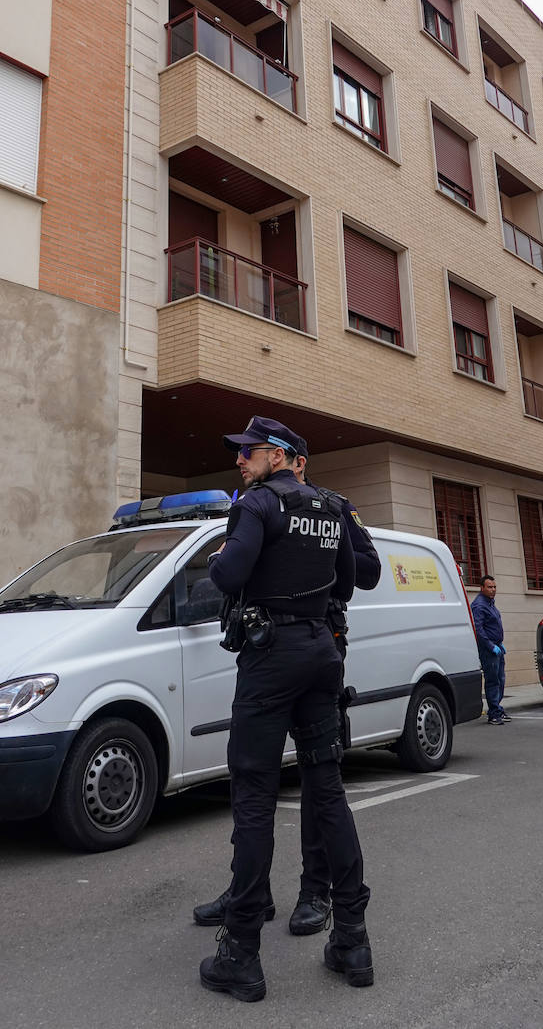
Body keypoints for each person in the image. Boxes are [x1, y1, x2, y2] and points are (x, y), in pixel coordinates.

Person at [198, 416, 372, 1001]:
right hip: (322, 654)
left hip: (270, 659)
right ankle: (352, 936)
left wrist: (220, 556)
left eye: (247, 452)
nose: (240, 461)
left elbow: (227, 575)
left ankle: (240, 951)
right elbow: (349, 582)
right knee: (327, 790)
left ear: (276, 455)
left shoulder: (256, 504)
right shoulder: (329, 507)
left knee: (253, 794)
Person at [471, 575, 508, 723]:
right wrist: (491, 645)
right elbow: (478, 629)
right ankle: (494, 714)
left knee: (500, 679)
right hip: (489, 649)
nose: (493, 590)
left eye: (494, 587)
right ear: (482, 588)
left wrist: (499, 644)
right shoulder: (479, 605)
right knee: (493, 680)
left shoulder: (490, 603)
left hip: (497, 646)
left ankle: (497, 709)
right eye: (489, 587)